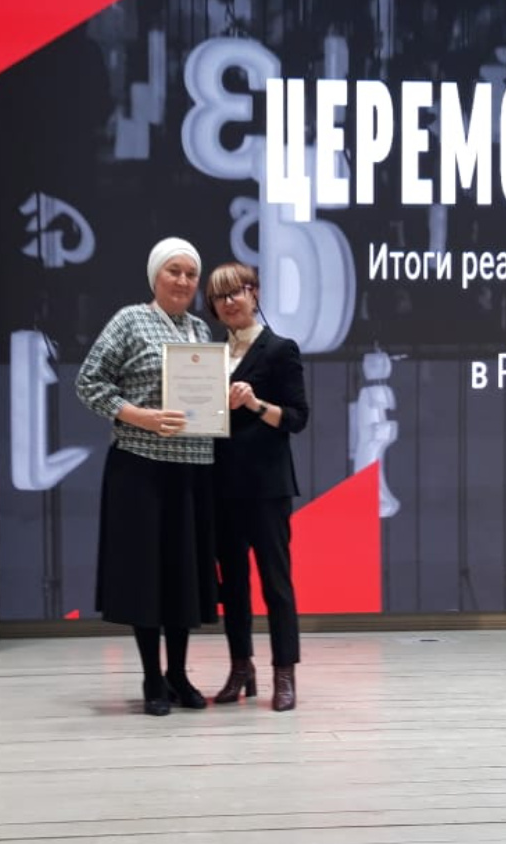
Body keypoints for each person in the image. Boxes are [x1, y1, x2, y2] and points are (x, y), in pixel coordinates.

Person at [76, 237, 219, 717]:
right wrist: (141, 417)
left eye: (191, 274)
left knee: (182, 576)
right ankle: (152, 677)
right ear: (155, 275)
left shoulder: (201, 329)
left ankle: (178, 673)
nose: (183, 281)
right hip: (140, 468)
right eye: (173, 271)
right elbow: (88, 382)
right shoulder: (129, 320)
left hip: (192, 471)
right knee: (146, 576)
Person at [204, 262, 309, 711]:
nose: (229, 302)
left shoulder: (280, 349)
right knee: (232, 587)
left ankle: (284, 672)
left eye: (237, 292)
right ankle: (240, 667)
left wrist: (255, 403)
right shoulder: (207, 357)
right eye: (219, 296)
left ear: (255, 294)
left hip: (267, 486)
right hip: (221, 486)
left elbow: (298, 418)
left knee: (275, 582)